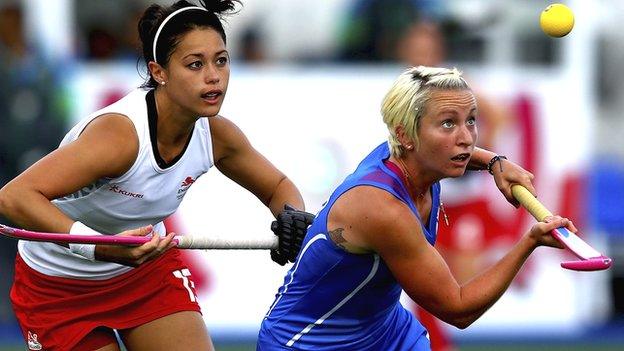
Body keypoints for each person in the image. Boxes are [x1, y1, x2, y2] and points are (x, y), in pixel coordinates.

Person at [0, 1, 312, 350]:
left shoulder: (219, 135)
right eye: (195, 64)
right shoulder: (119, 137)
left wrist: (293, 217)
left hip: (144, 274)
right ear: (159, 72)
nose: (213, 76)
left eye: (221, 61)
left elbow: (278, 187)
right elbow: (13, 196)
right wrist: (98, 250)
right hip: (57, 286)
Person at [256, 66, 575, 350]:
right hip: (306, 342)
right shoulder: (384, 209)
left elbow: (462, 150)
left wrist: (494, 161)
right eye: (448, 124)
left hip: (385, 332)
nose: (466, 138)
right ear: (404, 134)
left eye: (471, 121)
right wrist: (529, 242)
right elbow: (458, 309)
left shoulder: (414, 158)